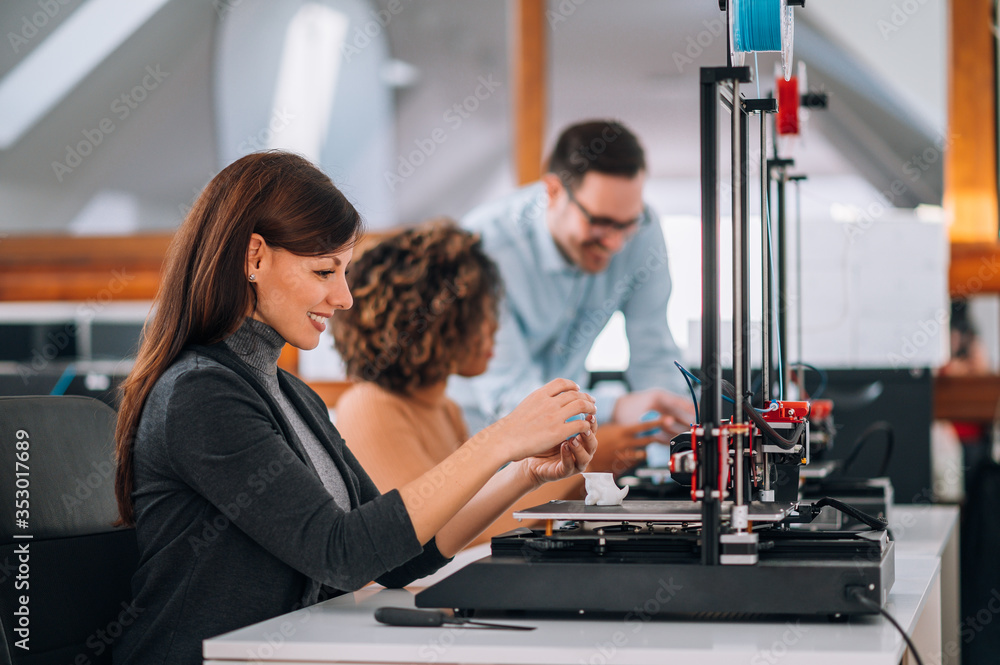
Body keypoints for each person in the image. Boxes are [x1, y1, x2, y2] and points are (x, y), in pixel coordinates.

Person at [112, 152, 598, 665]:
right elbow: (340, 555)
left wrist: (524, 474)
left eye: (344, 272)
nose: (343, 297)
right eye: (325, 271)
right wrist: (500, 437)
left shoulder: (292, 395)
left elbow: (396, 557)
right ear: (254, 257)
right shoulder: (199, 395)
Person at [449, 120, 695, 474]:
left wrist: (679, 447)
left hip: (568, 437)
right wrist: (615, 409)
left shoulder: (642, 230)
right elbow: (508, 394)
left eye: (626, 224)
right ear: (552, 191)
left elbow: (653, 350)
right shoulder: (485, 245)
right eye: (600, 222)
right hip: (478, 443)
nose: (615, 242)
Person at [332, 220, 585, 546]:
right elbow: (438, 539)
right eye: (479, 313)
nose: (493, 328)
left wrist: (558, 471)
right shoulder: (369, 407)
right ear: (436, 322)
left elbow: (470, 515)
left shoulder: (445, 408)